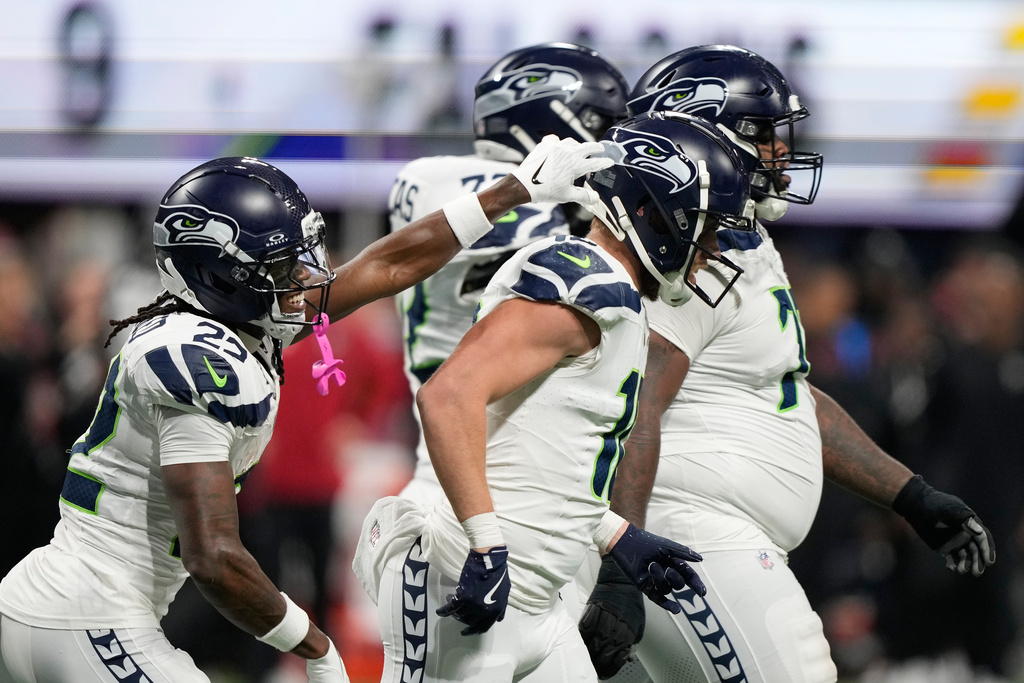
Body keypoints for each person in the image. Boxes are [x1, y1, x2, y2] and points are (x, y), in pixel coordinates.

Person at [0, 139, 606, 683]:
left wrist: (511, 192)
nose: (303, 279)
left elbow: (386, 267)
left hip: (61, 601)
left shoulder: (233, 324)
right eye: (280, 267)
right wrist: (312, 643)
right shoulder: (199, 361)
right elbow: (214, 557)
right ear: (221, 274)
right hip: (91, 615)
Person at [577, 45, 997, 683]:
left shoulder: (745, 240)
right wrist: (621, 555)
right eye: (764, 132)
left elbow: (787, 397)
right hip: (689, 537)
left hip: (711, 537)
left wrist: (911, 496)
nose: (780, 150)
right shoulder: (689, 240)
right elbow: (637, 399)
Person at [352, 110, 756, 683]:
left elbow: (542, 452)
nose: (714, 246)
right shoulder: (587, 282)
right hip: (464, 576)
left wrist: (616, 534)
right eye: (706, 224)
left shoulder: (617, 297)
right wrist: (485, 546)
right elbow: (448, 396)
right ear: (650, 212)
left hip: (536, 598)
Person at [389, 42, 630, 504]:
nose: (609, 145)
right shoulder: (445, 178)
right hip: (462, 480)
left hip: (528, 476)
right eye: (602, 126)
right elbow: (533, 229)